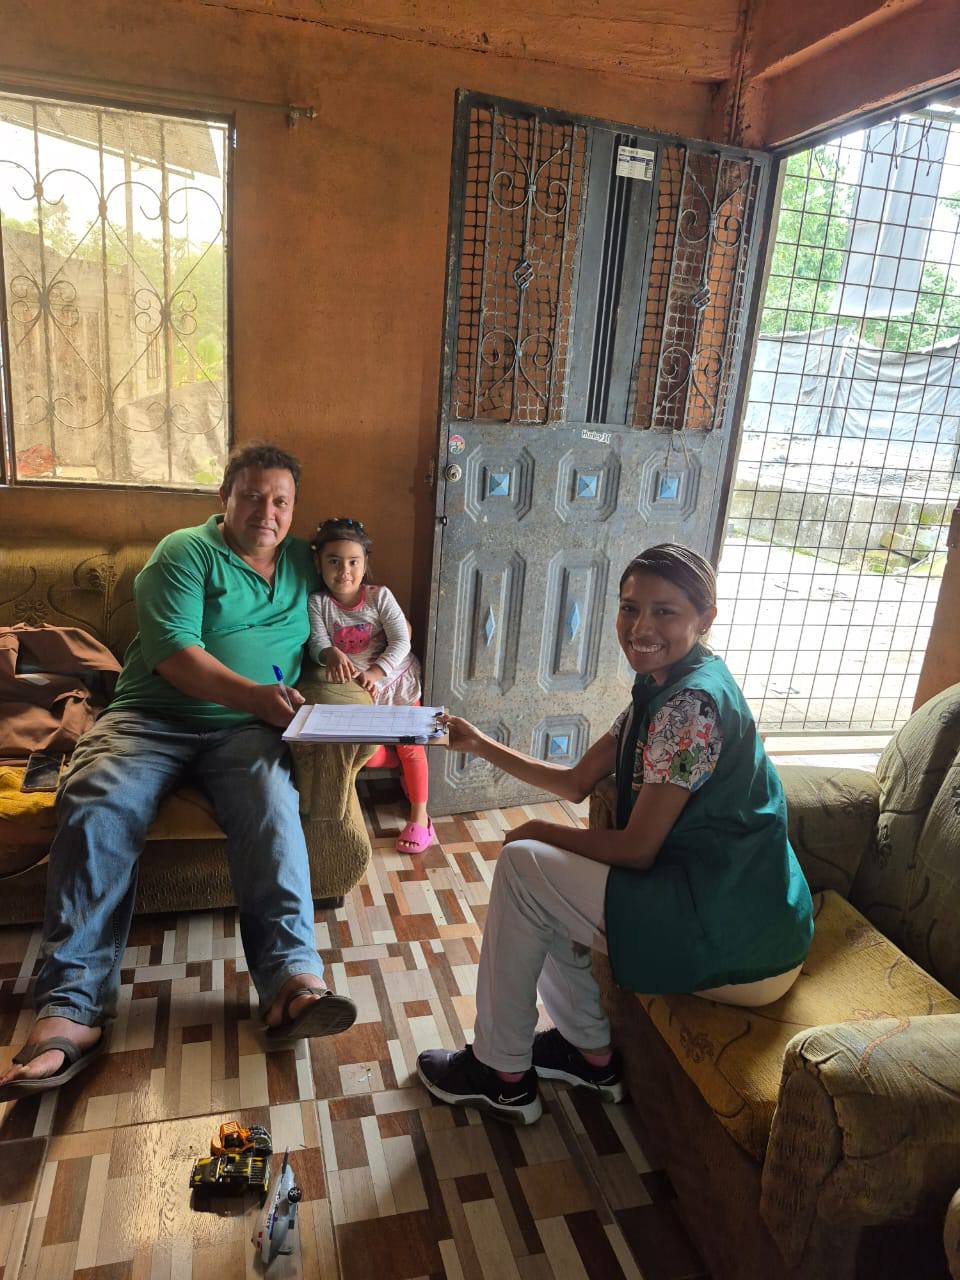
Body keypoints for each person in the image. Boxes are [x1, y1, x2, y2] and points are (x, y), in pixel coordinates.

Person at [0, 443, 356, 1102]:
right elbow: (174, 656)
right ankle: (71, 1008)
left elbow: (357, 599)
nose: (267, 511)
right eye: (252, 496)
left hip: (245, 733)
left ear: (294, 509)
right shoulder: (184, 552)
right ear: (224, 498)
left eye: (281, 501)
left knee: (271, 803)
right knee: (96, 799)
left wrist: (365, 662)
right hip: (150, 718)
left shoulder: (304, 562)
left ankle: (292, 983)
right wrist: (258, 698)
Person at [417, 544, 814, 1125]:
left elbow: (636, 848)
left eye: (665, 612)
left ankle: (501, 1073)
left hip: (740, 940)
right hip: (736, 910)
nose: (641, 628)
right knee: (538, 875)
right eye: (630, 608)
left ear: (706, 617)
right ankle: (588, 1055)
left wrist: (539, 830)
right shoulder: (663, 687)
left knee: (525, 865)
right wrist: (478, 744)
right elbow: (577, 781)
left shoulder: (689, 706)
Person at [307, 517, 434, 854]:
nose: (344, 571)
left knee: (411, 746)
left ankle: (420, 816)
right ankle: (394, 762)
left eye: (353, 562)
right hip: (356, 690)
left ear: (365, 563)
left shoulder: (380, 597)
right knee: (366, 752)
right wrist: (329, 653)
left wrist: (377, 673)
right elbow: (317, 642)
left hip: (395, 681)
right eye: (334, 561)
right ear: (319, 563)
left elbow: (402, 641)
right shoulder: (318, 603)